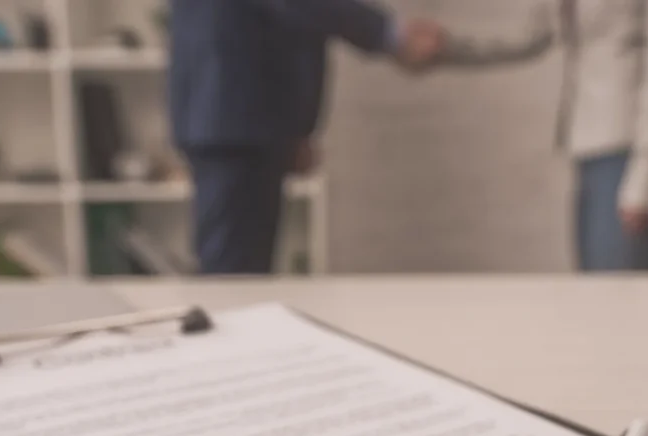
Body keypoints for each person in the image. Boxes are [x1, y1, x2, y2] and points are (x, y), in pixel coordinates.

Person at [168, 0, 447, 275]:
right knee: (232, 279)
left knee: (241, 275)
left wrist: (297, 129)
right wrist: (390, 35)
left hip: (237, 115)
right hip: (234, 116)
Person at [440, 0, 648, 271]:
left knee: (617, 302)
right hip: (590, 151)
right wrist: (445, 46)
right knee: (595, 301)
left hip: (631, 154)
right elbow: (536, 31)